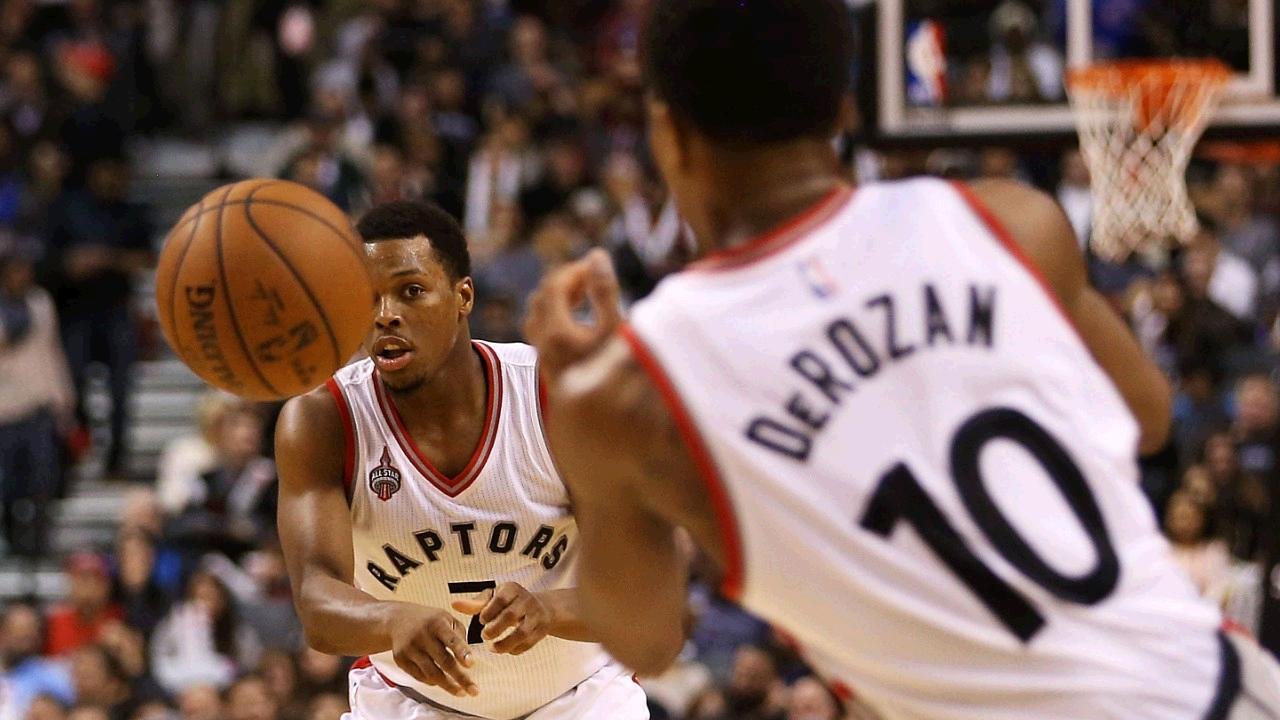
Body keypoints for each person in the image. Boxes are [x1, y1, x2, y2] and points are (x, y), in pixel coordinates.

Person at [524, 0, 1280, 717]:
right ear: (846, 110)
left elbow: (646, 639)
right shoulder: (1009, 222)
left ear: (667, 133)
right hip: (1226, 685)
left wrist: (581, 424)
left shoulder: (632, 391)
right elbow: (1147, 416)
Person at [274, 200, 647, 720]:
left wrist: (549, 609)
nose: (385, 315)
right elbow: (318, 606)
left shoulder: (558, 399)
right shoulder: (323, 420)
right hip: (412, 703)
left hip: (580, 698)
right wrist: (390, 620)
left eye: (411, 290)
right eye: (367, 298)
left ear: (463, 296)